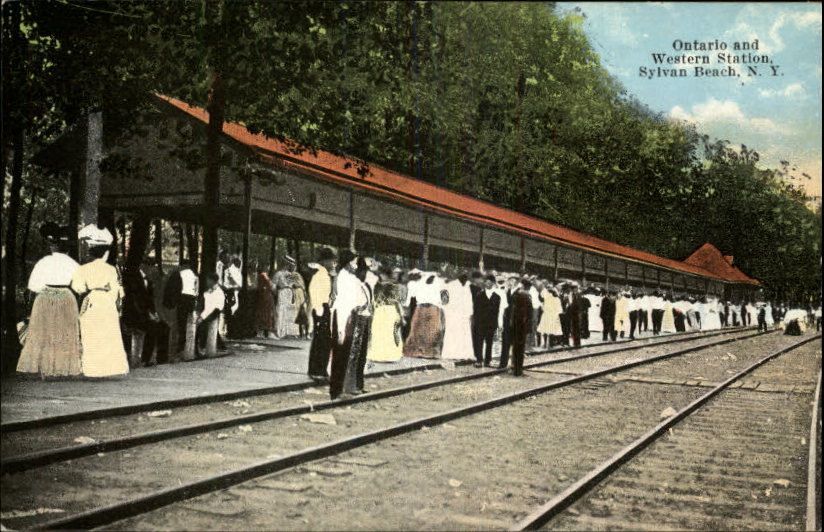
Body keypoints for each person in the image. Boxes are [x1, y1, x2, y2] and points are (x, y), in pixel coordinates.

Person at [16, 223, 83, 378]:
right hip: (65, 296)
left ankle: (45, 367)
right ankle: (61, 367)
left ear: (54, 246)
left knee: (44, 331)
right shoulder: (72, 264)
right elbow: (80, 286)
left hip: (45, 296)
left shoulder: (44, 262)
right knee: (63, 332)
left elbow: (33, 285)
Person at [72, 224, 129, 378]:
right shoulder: (110, 269)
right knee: (107, 334)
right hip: (107, 302)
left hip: (92, 300)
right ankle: (108, 368)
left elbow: (78, 287)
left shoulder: (83, 268)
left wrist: (89, 289)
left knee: (91, 334)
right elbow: (117, 289)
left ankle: (92, 368)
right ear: (105, 252)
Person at [329, 250, 364, 399]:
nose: (356, 265)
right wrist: (341, 329)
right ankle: (336, 391)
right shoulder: (344, 277)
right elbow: (343, 303)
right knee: (340, 354)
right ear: (348, 262)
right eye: (354, 262)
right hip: (343, 316)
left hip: (349, 315)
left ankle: (339, 389)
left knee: (344, 355)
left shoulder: (348, 277)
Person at [123, 256, 170, 366]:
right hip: (134, 315)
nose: (153, 269)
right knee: (152, 328)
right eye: (151, 266)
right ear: (143, 266)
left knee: (164, 327)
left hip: (145, 314)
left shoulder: (148, 280)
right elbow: (133, 301)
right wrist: (147, 315)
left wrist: (155, 314)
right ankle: (145, 359)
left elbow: (150, 301)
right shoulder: (134, 278)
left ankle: (161, 358)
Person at [306, 247, 336, 381]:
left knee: (325, 340)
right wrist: (319, 310)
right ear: (325, 261)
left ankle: (321, 369)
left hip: (325, 308)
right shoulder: (320, 275)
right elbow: (315, 293)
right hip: (321, 308)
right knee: (321, 340)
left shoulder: (325, 274)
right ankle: (316, 370)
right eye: (331, 260)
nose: (333, 263)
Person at [403, 272, 446, 359]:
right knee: (416, 329)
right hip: (420, 307)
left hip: (433, 308)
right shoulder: (417, 281)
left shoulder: (440, 282)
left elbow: (443, 297)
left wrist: (441, 309)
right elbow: (411, 295)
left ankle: (430, 353)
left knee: (433, 330)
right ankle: (417, 351)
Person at [366, 266, 405, 363]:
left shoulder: (380, 286)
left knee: (385, 332)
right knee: (383, 332)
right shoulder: (385, 286)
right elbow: (397, 302)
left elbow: (396, 302)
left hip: (385, 311)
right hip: (385, 310)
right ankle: (386, 355)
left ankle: (384, 355)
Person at [163, 259, 199, 356]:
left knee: (178, 326)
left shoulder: (178, 274)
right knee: (188, 326)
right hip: (190, 301)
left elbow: (173, 290)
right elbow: (196, 290)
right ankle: (187, 349)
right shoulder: (194, 275)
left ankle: (176, 349)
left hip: (180, 300)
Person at [442, 272, 475, 361]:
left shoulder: (467, 287)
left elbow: (469, 301)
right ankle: (452, 353)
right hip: (453, 314)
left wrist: (469, 313)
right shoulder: (450, 285)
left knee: (464, 335)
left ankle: (463, 354)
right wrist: (447, 311)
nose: (465, 280)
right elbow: (444, 299)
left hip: (464, 315)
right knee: (453, 334)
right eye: (463, 278)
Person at [471, 274, 501, 367]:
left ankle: (487, 361)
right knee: (479, 342)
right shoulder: (479, 295)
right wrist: (475, 322)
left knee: (489, 343)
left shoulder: (497, 297)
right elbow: (475, 310)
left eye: (489, 282)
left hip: (491, 324)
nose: (487, 284)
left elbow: (497, 312)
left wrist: (496, 324)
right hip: (480, 323)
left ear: (493, 283)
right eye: (486, 282)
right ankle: (479, 360)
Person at [508, 277, 533, 376]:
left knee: (515, 346)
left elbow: (512, 309)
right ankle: (518, 370)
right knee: (520, 347)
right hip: (522, 324)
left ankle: (514, 367)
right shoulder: (527, 295)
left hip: (514, 323)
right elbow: (529, 313)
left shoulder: (515, 294)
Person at [196, 273, 225, 356]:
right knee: (204, 324)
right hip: (210, 310)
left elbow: (210, 307)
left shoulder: (218, 292)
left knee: (203, 325)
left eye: (208, 280)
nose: (207, 282)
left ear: (212, 281)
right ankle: (220, 345)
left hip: (215, 310)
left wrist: (202, 317)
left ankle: (202, 347)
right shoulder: (210, 290)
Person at [273, 257, 300, 338]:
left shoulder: (291, 274)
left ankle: (288, 332)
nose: (287, 266)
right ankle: (280, 331)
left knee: (289, 311)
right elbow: (273, 285)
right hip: (282, 292)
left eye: (288, 264)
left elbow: (294, 284)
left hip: (289, 292)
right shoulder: (278, 273)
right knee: (280, 310)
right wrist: (275, 293)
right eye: (287, 264)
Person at [498, 276, 520, 367]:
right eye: (509, 281)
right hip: (507, 321)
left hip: (516, 321)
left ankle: (515, 364)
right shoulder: (507, 292)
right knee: (505, 342)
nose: (510, 283)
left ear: (515, 282)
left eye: (512, 281)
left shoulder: (519, 292)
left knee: (516, 343)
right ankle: (503, 364)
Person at [537, 282, 563, 349]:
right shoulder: (557, 299)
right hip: (553, 316)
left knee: (545, 330)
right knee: (552, 330)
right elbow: (559, 309)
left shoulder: (546, 297)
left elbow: (541, 301)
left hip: (546, 315)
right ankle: (550, 344)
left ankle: (545, 344)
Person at [254, 269, 276, 338]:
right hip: (265, 297)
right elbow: (270, 286)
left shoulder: (261, 276)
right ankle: (264, 332)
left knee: (265, 315)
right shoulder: (264, 275)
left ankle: (263, 332)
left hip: (265, 297)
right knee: (266, 315)